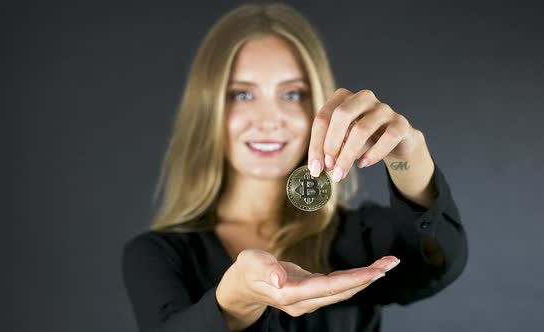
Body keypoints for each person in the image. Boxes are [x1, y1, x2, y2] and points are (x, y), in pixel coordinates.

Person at [121, 2, 468, 331]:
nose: (269, 120)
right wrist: (234, 301)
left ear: (316, 105)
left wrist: (408, 155)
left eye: (292, 94)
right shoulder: (158, 255)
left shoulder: (358, 237)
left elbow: (439, 265)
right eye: (242, 94)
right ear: (208, 110)